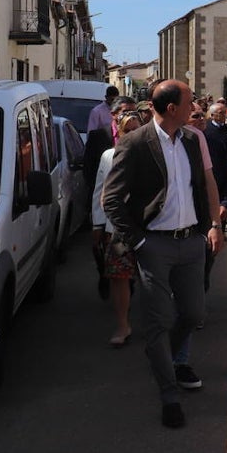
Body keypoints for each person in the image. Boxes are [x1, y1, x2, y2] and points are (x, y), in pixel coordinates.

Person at [102, 80, 221, 429]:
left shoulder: (190, 141)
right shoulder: (135, 143)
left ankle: (163, 355)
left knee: (193, 312)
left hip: (192, 242)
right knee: (158, 320)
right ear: (172, 109)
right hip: (154, 244)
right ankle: (169, 395)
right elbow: (111, 199)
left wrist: (210, 225)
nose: (193, 107)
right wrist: (138, 242)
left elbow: (201, 185)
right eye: (189, 103)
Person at [91, 110, 145, 347]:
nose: (132, 133)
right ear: (119, 132)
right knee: (119, 277)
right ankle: (123, 324)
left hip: (149, 226)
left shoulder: (153, 153)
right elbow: (99, 191)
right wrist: (98, 223)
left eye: (136, 129)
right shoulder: (108, 156)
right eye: (127, 129)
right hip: (118, 228)